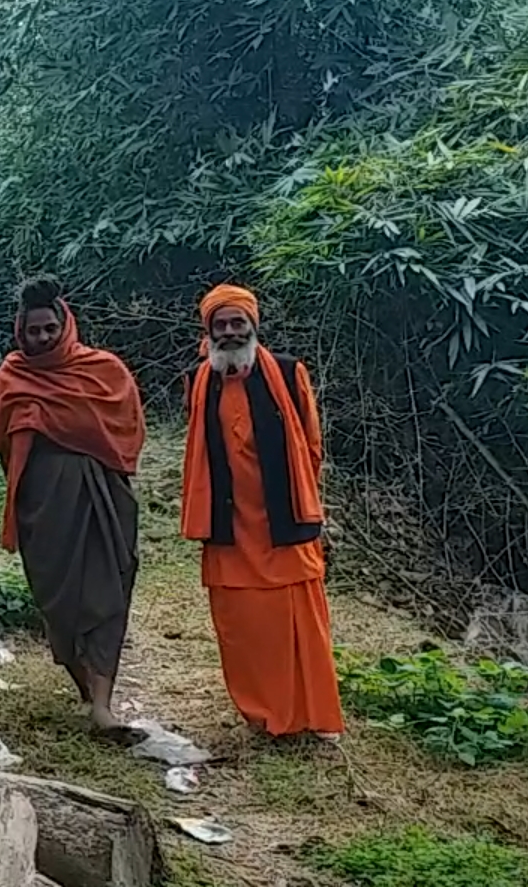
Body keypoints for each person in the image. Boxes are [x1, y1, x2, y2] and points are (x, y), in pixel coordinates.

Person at [0, 276, 147, 732]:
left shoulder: (103, 370)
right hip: (45, 506)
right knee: (58, 602)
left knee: (109, 589)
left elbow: (127, 426)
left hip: (102, 498)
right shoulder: (10, 380)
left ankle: (102, 704)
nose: (42, 339)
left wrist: (73, 430)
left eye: (49, 329)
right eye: (33, 332)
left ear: (65, 323)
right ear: (21, 332)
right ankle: (85, 688)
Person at [181, 284, 345, 739]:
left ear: (254, 325)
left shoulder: (290, 373)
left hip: (282, 524)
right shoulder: (198, 381)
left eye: (238, 323)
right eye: (221, 325)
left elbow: (311, 447)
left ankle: (309, 716)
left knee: (299, 625)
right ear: (209, 331)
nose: (230, 332)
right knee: (241, 627)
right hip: (229, 529)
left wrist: (299, 501)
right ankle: (262, 716)